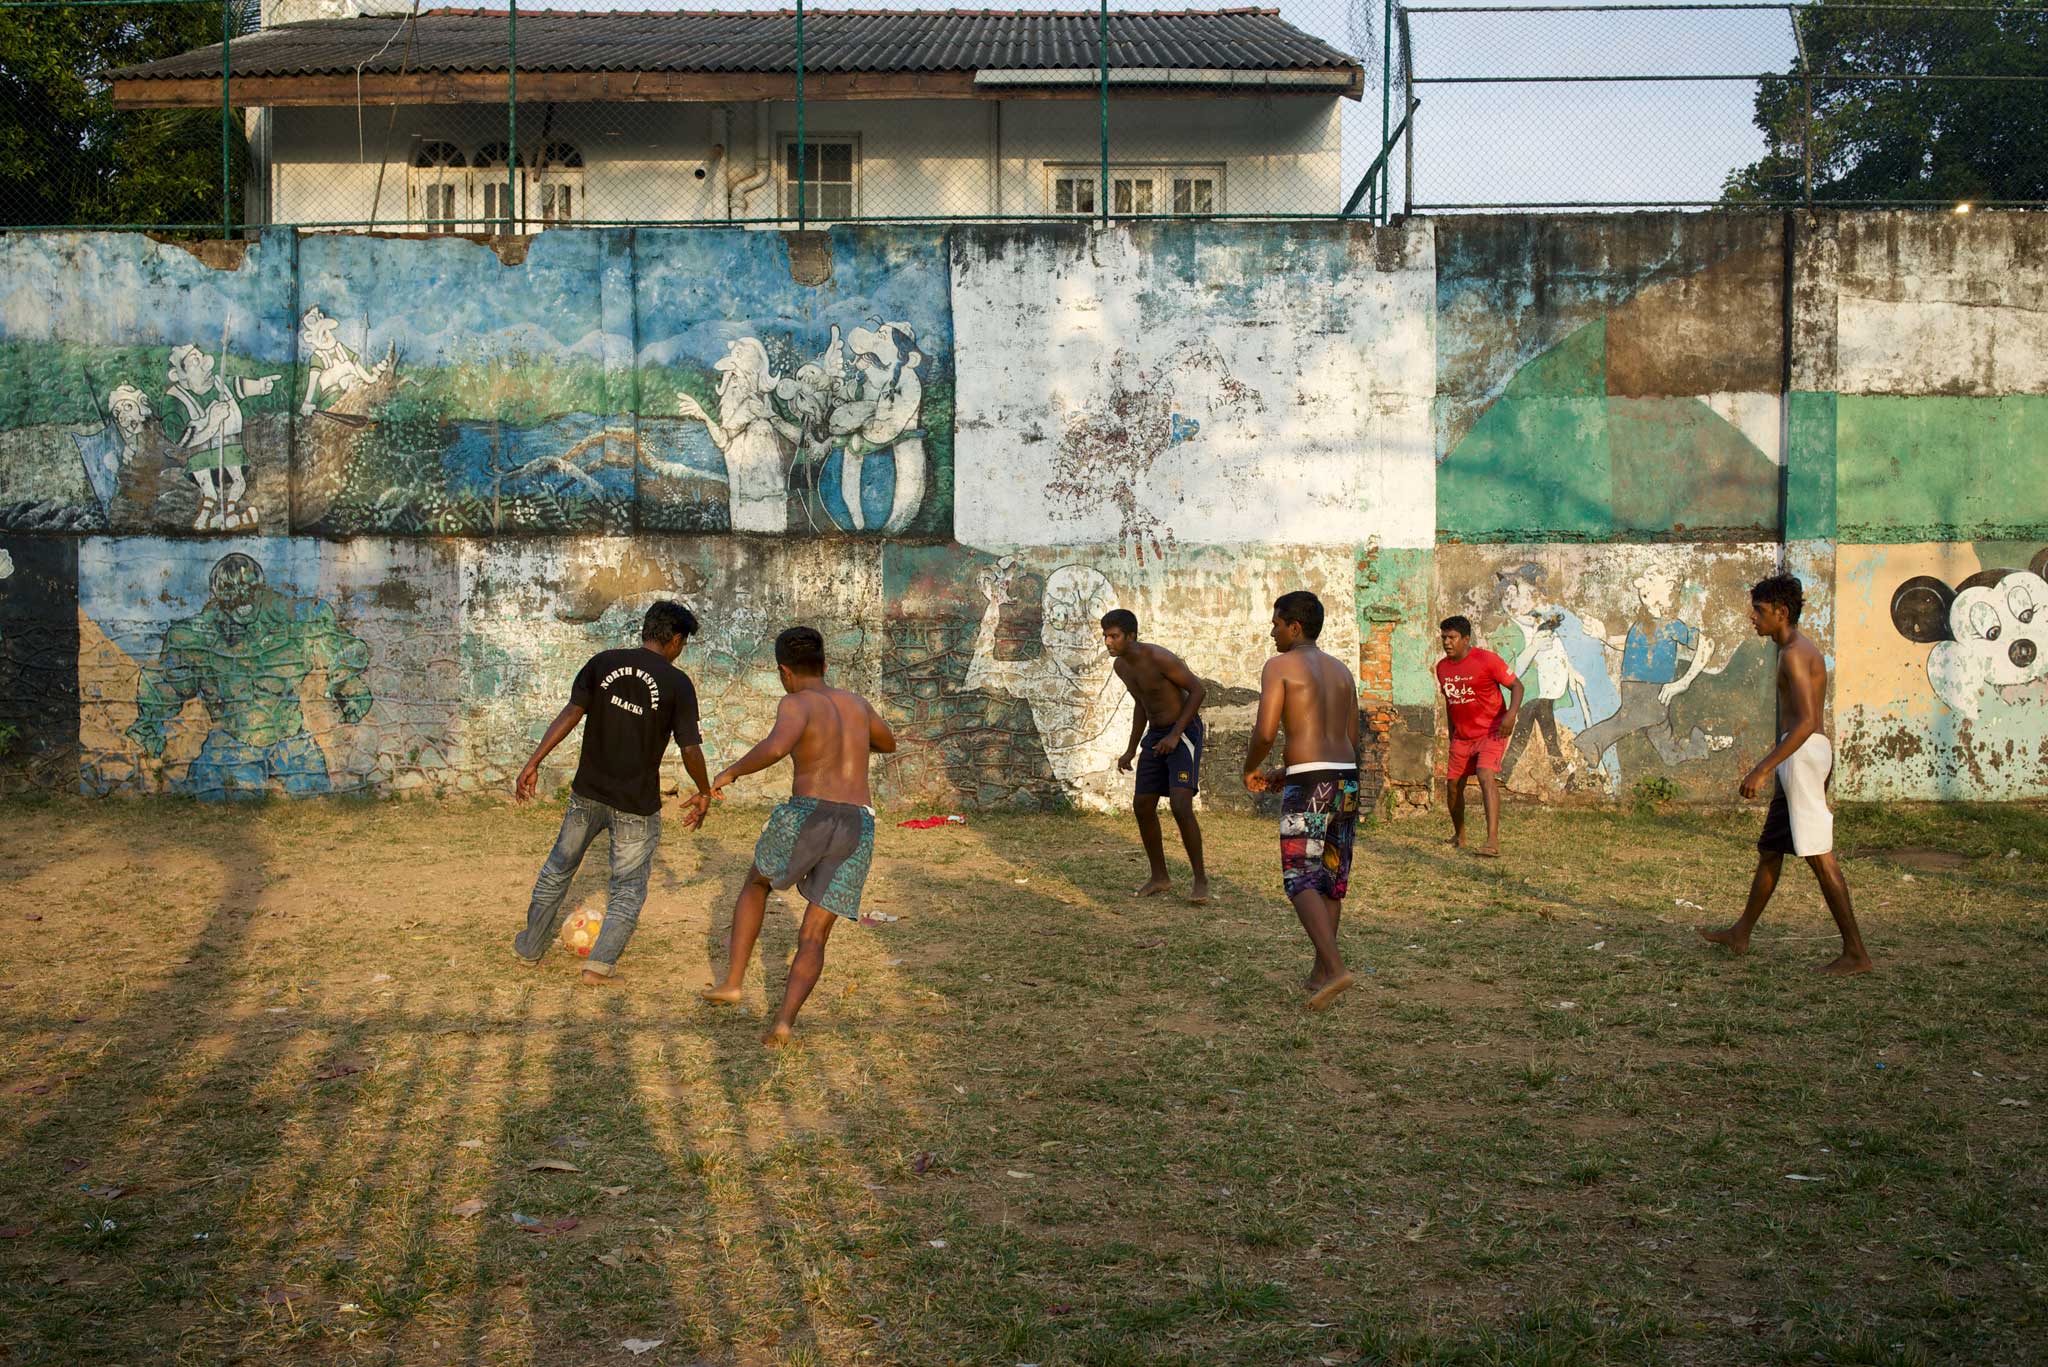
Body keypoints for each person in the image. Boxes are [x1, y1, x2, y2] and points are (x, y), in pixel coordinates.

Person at [700, 626, 898, 1045]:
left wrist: (731, 771)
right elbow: (889, 742)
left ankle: (733, 981)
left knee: (756, 883)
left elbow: (775, 747)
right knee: (814, 934)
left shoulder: (796, 703)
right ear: (825, 666)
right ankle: (784, 1022)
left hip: (808, 814)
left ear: (784, 672)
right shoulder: (857, 704)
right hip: (857, 823)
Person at [512, 601, 711, 985]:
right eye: (682, 643)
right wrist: (704, 790)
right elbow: (690, 748)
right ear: (674, 639)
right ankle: (598, 967)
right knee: (628, 887)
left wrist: (533, 761)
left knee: (557, 869)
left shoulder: (602, 662)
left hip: (587, 794)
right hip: (635, 805)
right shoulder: (677, 684)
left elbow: (571, 713)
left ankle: (530, 948)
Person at [1700, 575, 1873, 976]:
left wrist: (1762, 768)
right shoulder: (1796, 649)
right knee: (1771, 849)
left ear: (1781, 612)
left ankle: (1856, 953)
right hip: (1802, 755)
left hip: (1802, 755)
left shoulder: (1795, 653)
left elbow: (1808, 721)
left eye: (1759, 610)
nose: (1752, 618)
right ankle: (1741, 933)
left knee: (1819, 857)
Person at [1243, 591, 1362, 1011]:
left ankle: (1335, 968)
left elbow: (1264, 732)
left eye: (1276, 624)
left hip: (1310, 785)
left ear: (1294, 627)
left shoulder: (1280, 666)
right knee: (1331, 875)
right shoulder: (1343, 671)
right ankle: (1318, 972)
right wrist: (1285, 771)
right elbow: (1349, 739)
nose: (1272, 631)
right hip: (1345, 781)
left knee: (1299, 876)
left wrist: (1252, 767)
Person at [1102, 608, 1209, 903]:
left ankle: (1200, 881)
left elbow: (1198, 691)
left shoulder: (1159, 658)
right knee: (1142, 804)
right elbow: (1142, 705)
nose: (1108, 642)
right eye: (1105, 636)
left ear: (1131, 636)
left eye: (1114, 636)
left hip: (1184, 732)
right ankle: (1160, 876)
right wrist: (1131, 747)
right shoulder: (1122, 667)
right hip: (1155, 735)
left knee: (1180, 804)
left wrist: (1176, 734)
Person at [1435, 615, 1524, 857]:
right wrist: (1453, 734)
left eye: (1452, 637)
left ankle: (1492, 840)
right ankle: (1459, 835)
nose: (1447, 642)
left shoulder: (1487, 660)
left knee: (1485, 776)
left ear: (1465, 639)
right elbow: (1451, 703)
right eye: (1444, 637)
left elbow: (1517, 686)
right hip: (1463, 737)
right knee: (1453, 787)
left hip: (1492, 731)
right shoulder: (1442, 668)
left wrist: (1511, 715)